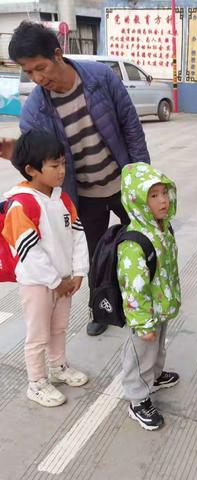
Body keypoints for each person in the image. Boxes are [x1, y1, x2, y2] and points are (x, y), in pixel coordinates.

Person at [7, 21, 151, 336]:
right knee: (95, 255)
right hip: (83, 196)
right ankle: (102, 308)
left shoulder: (100, 78)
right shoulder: (35, 110)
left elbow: (131, 128)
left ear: (58, 53)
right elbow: (39, 161)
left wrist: (142, 178)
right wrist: (17, 153)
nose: (37, 78)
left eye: (40, 67)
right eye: (29, 72)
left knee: (143, 243)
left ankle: (149, 299)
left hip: (124, 184)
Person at [2, 130, 89, 407]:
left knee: (59, 327)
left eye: (63, 163)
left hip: (63, 280)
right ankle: (37, 383)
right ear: (32, 170)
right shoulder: (22, 204)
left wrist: (78, 271)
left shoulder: (63, 199)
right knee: (38, 334)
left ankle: (58, 367)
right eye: (54, 165)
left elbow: (77, 235)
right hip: (38, 284)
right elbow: (29, 253)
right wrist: (55, 281)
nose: (62, 171)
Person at [117, 162, 181, 431]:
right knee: (140, 352)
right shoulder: (134, 242)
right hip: (144, 312)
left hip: (161, 305)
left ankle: (154, 376)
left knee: (158, 347)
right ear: (137, 201)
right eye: (153, 196)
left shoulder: (163, 229)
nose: (163, 200)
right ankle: (137, 398)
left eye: (164, 193)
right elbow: (133, 288)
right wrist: (142, 323)